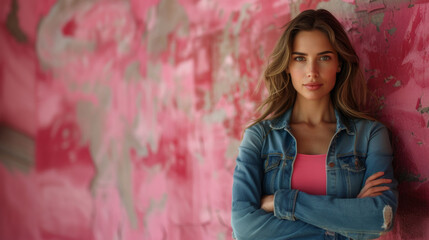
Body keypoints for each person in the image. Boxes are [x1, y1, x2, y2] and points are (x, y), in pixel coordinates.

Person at [231, 9, 398, 240]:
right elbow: (243, 227)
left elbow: (379, 217)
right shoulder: (259, 138)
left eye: (324, 57)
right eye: (300, 58)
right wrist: (345, 224)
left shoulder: (370, 136)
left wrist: (282, 202)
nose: (312, 72)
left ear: (339, 63)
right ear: (287, 66)